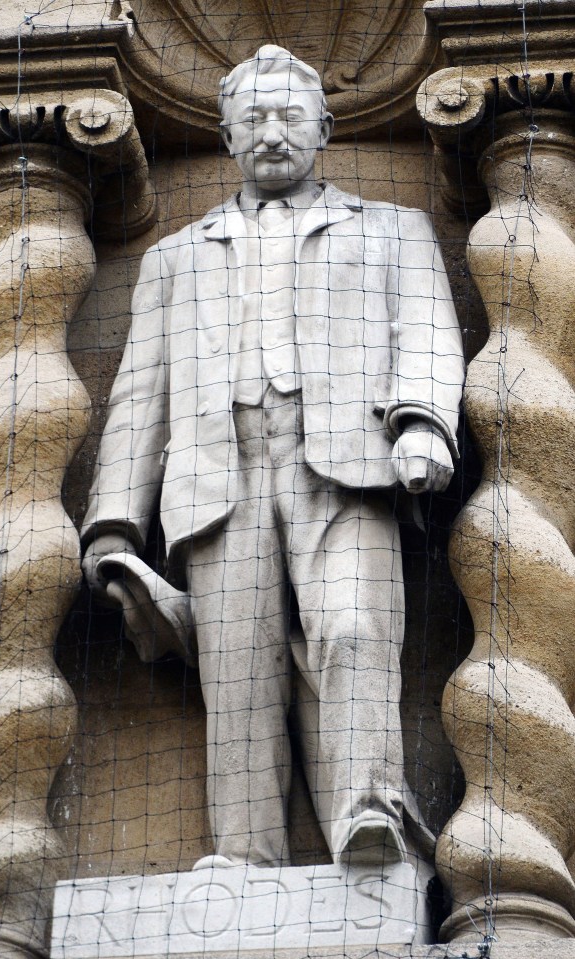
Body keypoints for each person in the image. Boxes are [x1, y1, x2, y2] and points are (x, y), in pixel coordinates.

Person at [81, 45, 464, 869]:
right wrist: (111, 523)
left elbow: (429, 331)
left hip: (346, 461)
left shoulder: (393, 229)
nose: (272, 131)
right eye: (252, 117)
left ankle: (371, 809)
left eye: (290, 114)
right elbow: (139, 397)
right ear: (223, 133)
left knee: (355, 628)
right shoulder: (172, 258)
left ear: (325, 128)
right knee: (237, 673)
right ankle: (245, 852)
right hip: (219, 474)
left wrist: (423, 422)